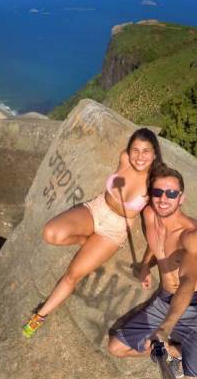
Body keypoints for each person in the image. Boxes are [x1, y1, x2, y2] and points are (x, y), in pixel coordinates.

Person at [22, 128, 163, 338]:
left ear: (155, 153)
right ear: (129, 150)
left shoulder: (154, 183)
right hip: (95, 208)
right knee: (50, 233)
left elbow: (155, 228)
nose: (139, 157)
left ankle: (39, 317)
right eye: (135, 150)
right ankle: (85, 240)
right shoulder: (124, 159)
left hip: (113, 231)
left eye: (146, 151)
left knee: (72, 275)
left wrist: (145, 266)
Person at [108, 165, 197, 379]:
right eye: (158, 192)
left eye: (171, 193)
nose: (163, 199)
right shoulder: (149, 214)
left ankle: (188, 354)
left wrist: (166, 327)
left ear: (181, 198)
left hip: (194, 304)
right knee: (116, 348)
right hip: (164, 300)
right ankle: (176, 352)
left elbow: (187, 282)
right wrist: (146, 264)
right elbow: (156, 242)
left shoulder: (191, 234)